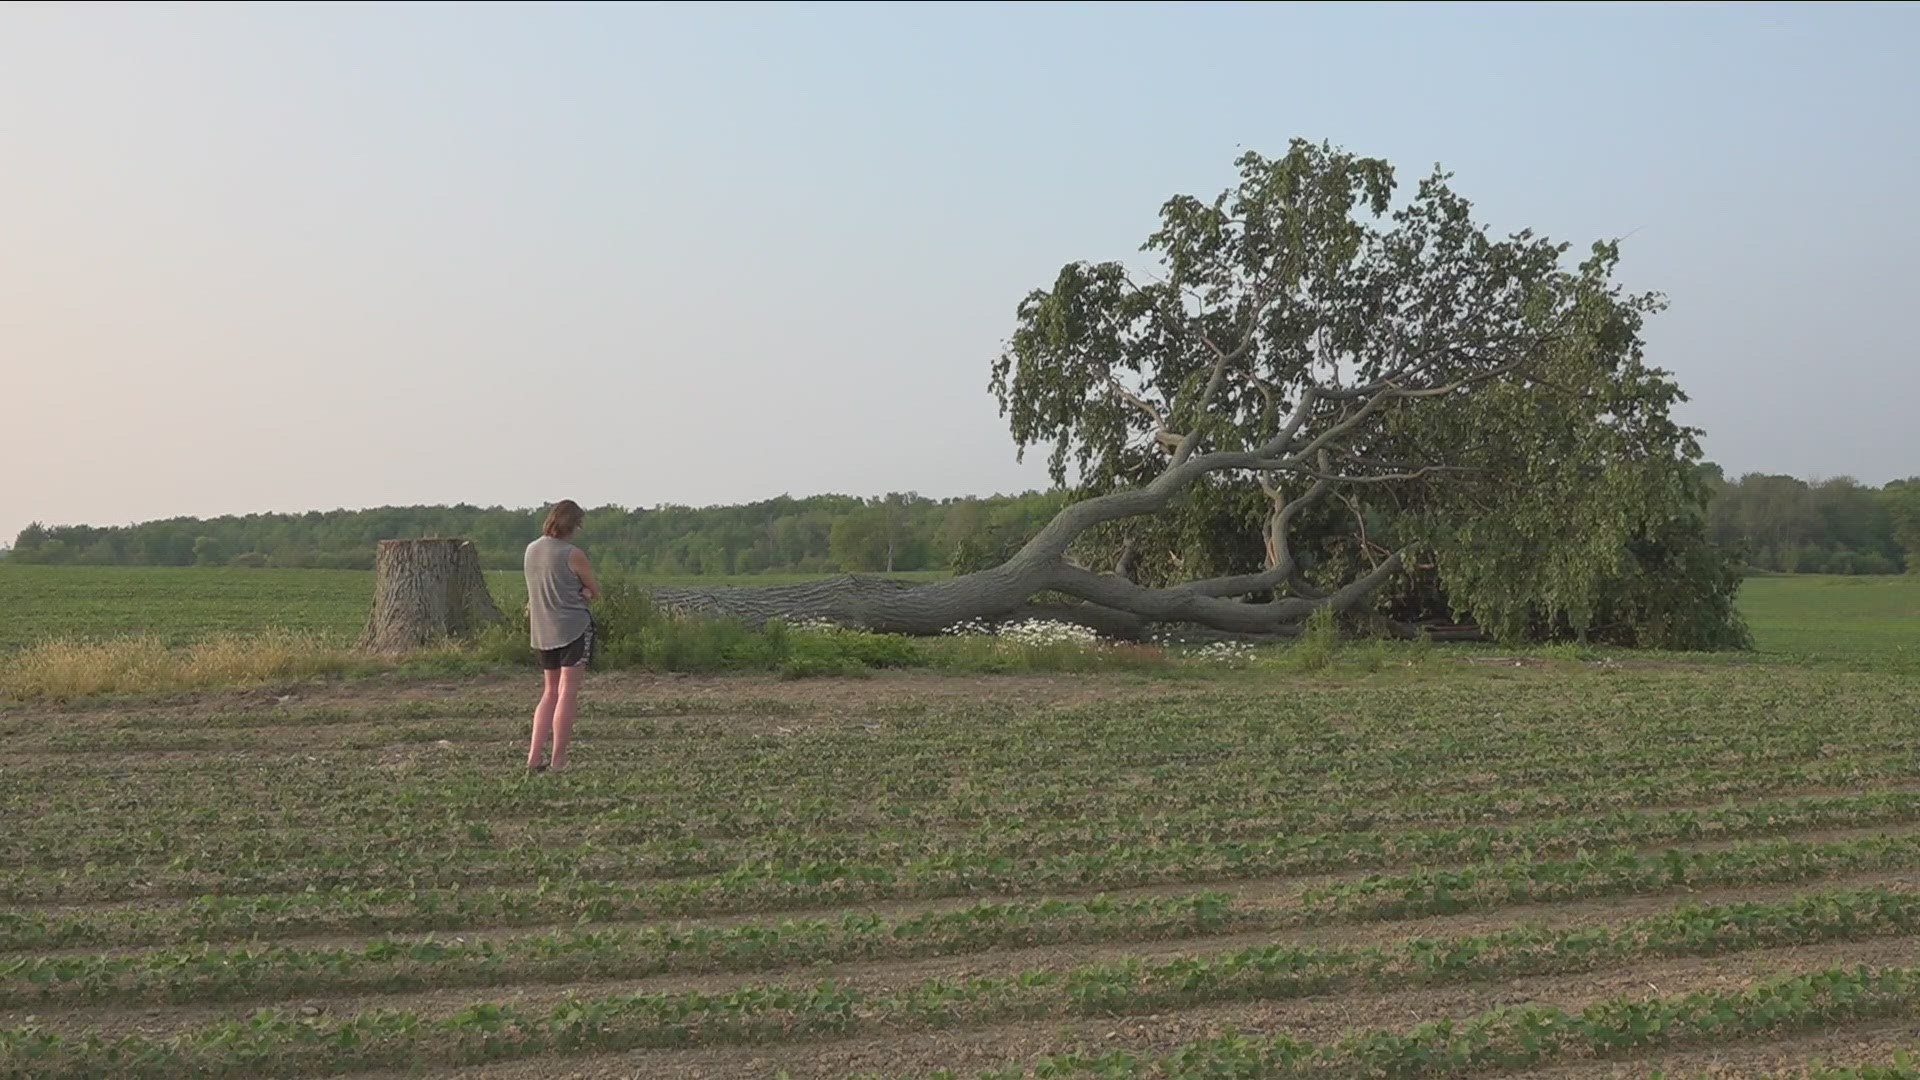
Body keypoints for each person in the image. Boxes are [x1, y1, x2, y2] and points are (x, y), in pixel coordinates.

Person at [523, 499, 599, 773]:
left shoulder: (531, 550)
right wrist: (586, 593)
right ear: (572, 525)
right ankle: (558, 760)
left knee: (549, 692)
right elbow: (593, 588)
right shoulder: (572, 553)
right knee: (568, 692)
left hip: (542, 630)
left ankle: (533, 757)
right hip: (572, 629)